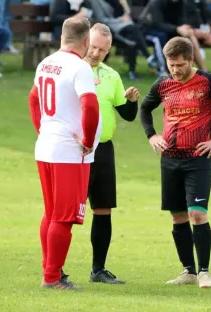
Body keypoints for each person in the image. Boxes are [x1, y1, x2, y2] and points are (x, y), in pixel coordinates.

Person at [139, 36, 211, 289]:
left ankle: (204, 271)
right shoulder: (163, 84)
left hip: (198, 159)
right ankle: (188, 271)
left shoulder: (209, 82)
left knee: (197, 214)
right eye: (170, 65)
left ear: (190, 59)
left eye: (180, 65)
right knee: (178, 217)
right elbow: (144, 109)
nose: (175, 70)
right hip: (169, 160)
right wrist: (152, 135)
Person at [28, 16, 101, 290]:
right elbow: (91, 107)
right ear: (86, 42)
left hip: (46, 146)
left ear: (61, 37)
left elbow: (34, 99)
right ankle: (52, 278)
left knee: (51, 213)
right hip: (69, 152)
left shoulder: (46, 62)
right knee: (64, 217)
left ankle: (51, 271)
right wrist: (89, 139)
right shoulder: (79, 67)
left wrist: (41, 129)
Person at [84, 23, 139, 284]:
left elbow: (127, 115)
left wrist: (132, 100)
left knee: (103, 209)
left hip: (104, 149)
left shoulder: (111, 75)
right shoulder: (72, 69)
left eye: (102, 50)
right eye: (93, 46)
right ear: (85, 42)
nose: (96, 53)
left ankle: (98, 270)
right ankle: (54, 269)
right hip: (77, 149)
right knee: (68, 211)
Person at [89, 0, 157, 80]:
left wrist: (124, 18)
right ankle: (148, 57)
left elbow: (127, 12)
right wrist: (121, 20)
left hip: (125, 28)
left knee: (132, 38)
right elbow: (103, 20)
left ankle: (133, 71)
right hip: (110, 29)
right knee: (133, 30)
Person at [139, 0, 205, 74]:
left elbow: (189, 19)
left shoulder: (186, 0)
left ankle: (199, 70)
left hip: (171, 29)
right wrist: (178, 29)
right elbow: (156, 24)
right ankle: (164, 70)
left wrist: (187, 28)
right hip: (148, 30)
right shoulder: (157, 0)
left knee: (189, 36)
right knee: (161, 37)